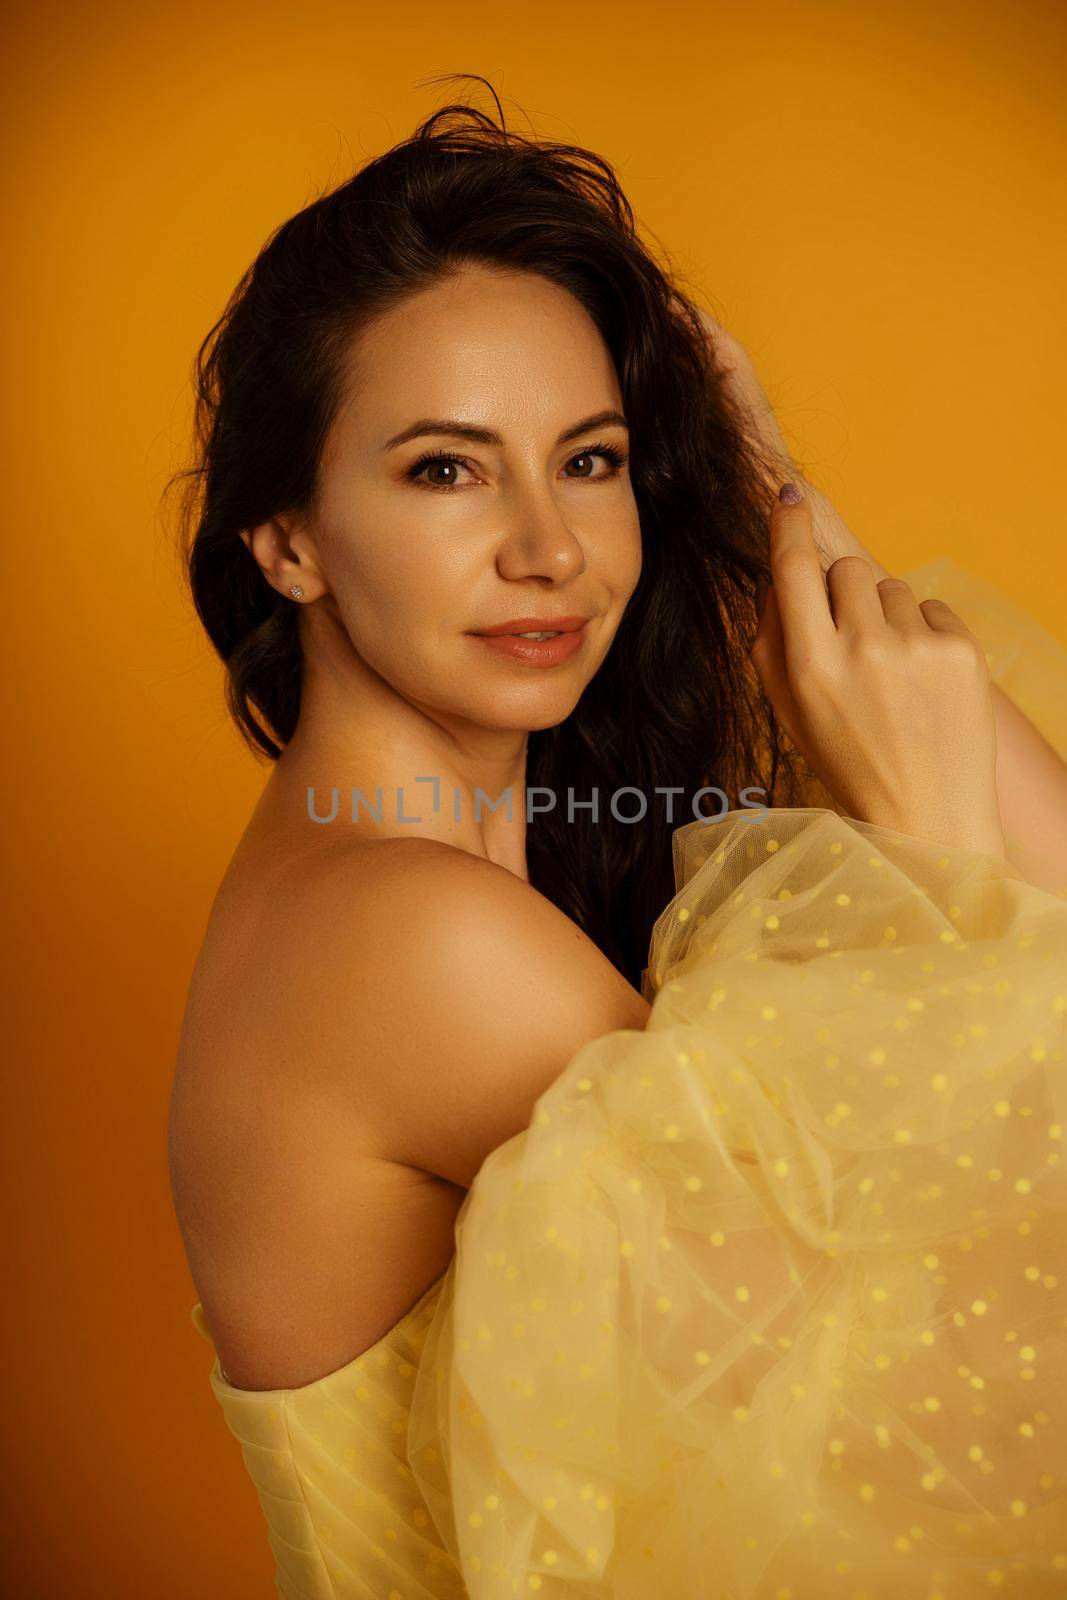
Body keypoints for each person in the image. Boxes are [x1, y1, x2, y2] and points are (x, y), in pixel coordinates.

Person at [167, 81, 1067, 1599]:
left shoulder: (435, 887)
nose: (551, 546)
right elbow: (949, 1438)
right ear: (289, 541)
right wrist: (935, 848)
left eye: (589, 458)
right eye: (446, 468)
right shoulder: (410, 941)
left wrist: (783, 501)